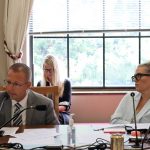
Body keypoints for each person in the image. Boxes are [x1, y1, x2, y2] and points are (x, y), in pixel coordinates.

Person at [37, 55, 71, 124]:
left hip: (61, 113)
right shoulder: (40, 84)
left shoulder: (65, 83)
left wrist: (52, 110)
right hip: (44, 113)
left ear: (55, 70)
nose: (48, 73)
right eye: (45, 70)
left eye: (50, 70)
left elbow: (65, 105)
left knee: (56, 118)